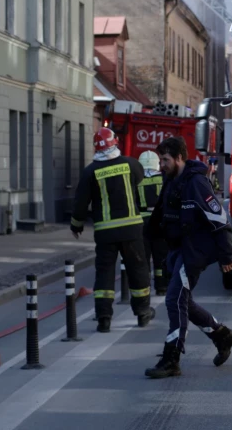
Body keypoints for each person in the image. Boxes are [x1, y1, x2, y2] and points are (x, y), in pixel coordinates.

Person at [145, 136, 232, 379]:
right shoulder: (170, 181)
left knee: (174, 299)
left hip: (194, 252)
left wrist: (226, 254)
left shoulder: (196, 183)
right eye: (160, 160)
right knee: (183, 301)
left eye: (165, 160)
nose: (161, 165)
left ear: (179, 158)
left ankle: (171, 358)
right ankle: (222, 336)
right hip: (178, 250)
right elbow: (159, 215)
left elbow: (218, 219)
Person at [71, 129, 155, 333]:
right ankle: (143, 312)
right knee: (138, 270)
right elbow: (139, 182)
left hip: (105, 233)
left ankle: (104, 318)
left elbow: (81, 201)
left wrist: (76, 224)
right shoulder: (131, 164)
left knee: (105, 273)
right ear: (115, 143)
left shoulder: (90, 171)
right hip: (131, 230)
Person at [138, 150, 169, 296]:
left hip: (141, 222)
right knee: (161, 256)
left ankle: (144, 287)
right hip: (159, 222)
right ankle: (161, 286)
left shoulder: (136, 180)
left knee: (143, 258)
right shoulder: (164, 179)